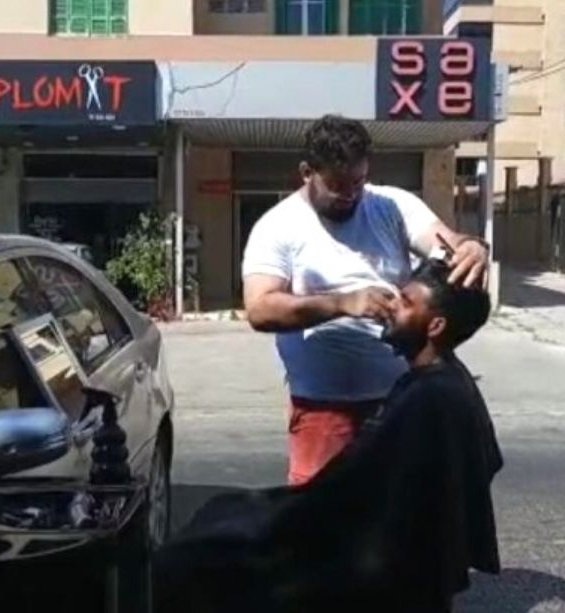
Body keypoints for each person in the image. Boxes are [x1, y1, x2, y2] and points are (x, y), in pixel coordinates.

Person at [156, 259, 502, 613]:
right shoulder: (446, 383)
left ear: (436, 325)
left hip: (376, 565)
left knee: (190, 556)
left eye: (407, 302)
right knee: (222, 514)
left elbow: (344, 496)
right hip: (380, 545)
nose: (392, 306)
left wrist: (273, 519)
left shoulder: (430, 396)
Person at [243, 114, 491, 485]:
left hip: (401, 400)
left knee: (399, 515)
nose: (351, 195)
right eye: (338, 185)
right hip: (323, 408)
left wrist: (470, 246)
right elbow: (260, 308)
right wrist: (341, 303)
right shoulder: (278, 227)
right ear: (307, 172)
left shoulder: (391, 205)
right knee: (320, 522)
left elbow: (446, 242)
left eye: (358, 182)